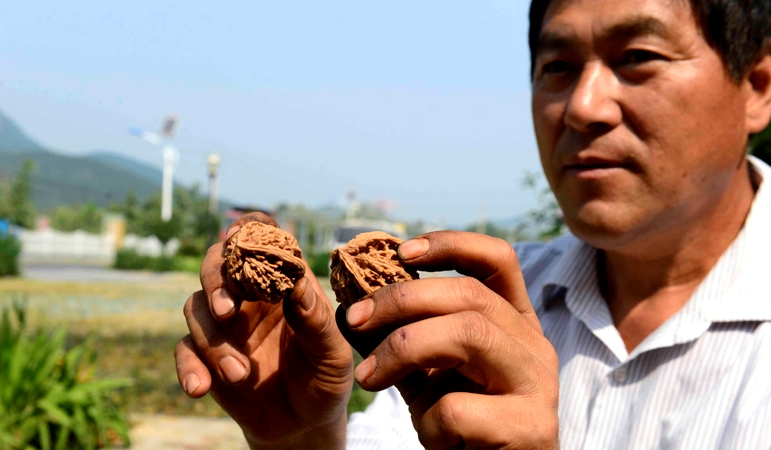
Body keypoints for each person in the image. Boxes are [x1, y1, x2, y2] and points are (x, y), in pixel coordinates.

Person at [174, 0, 771, 448]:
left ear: (758, 88)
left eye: (638, 58)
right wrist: (303, 440)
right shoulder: (473, 306)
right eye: (557, 66)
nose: (583, 107)